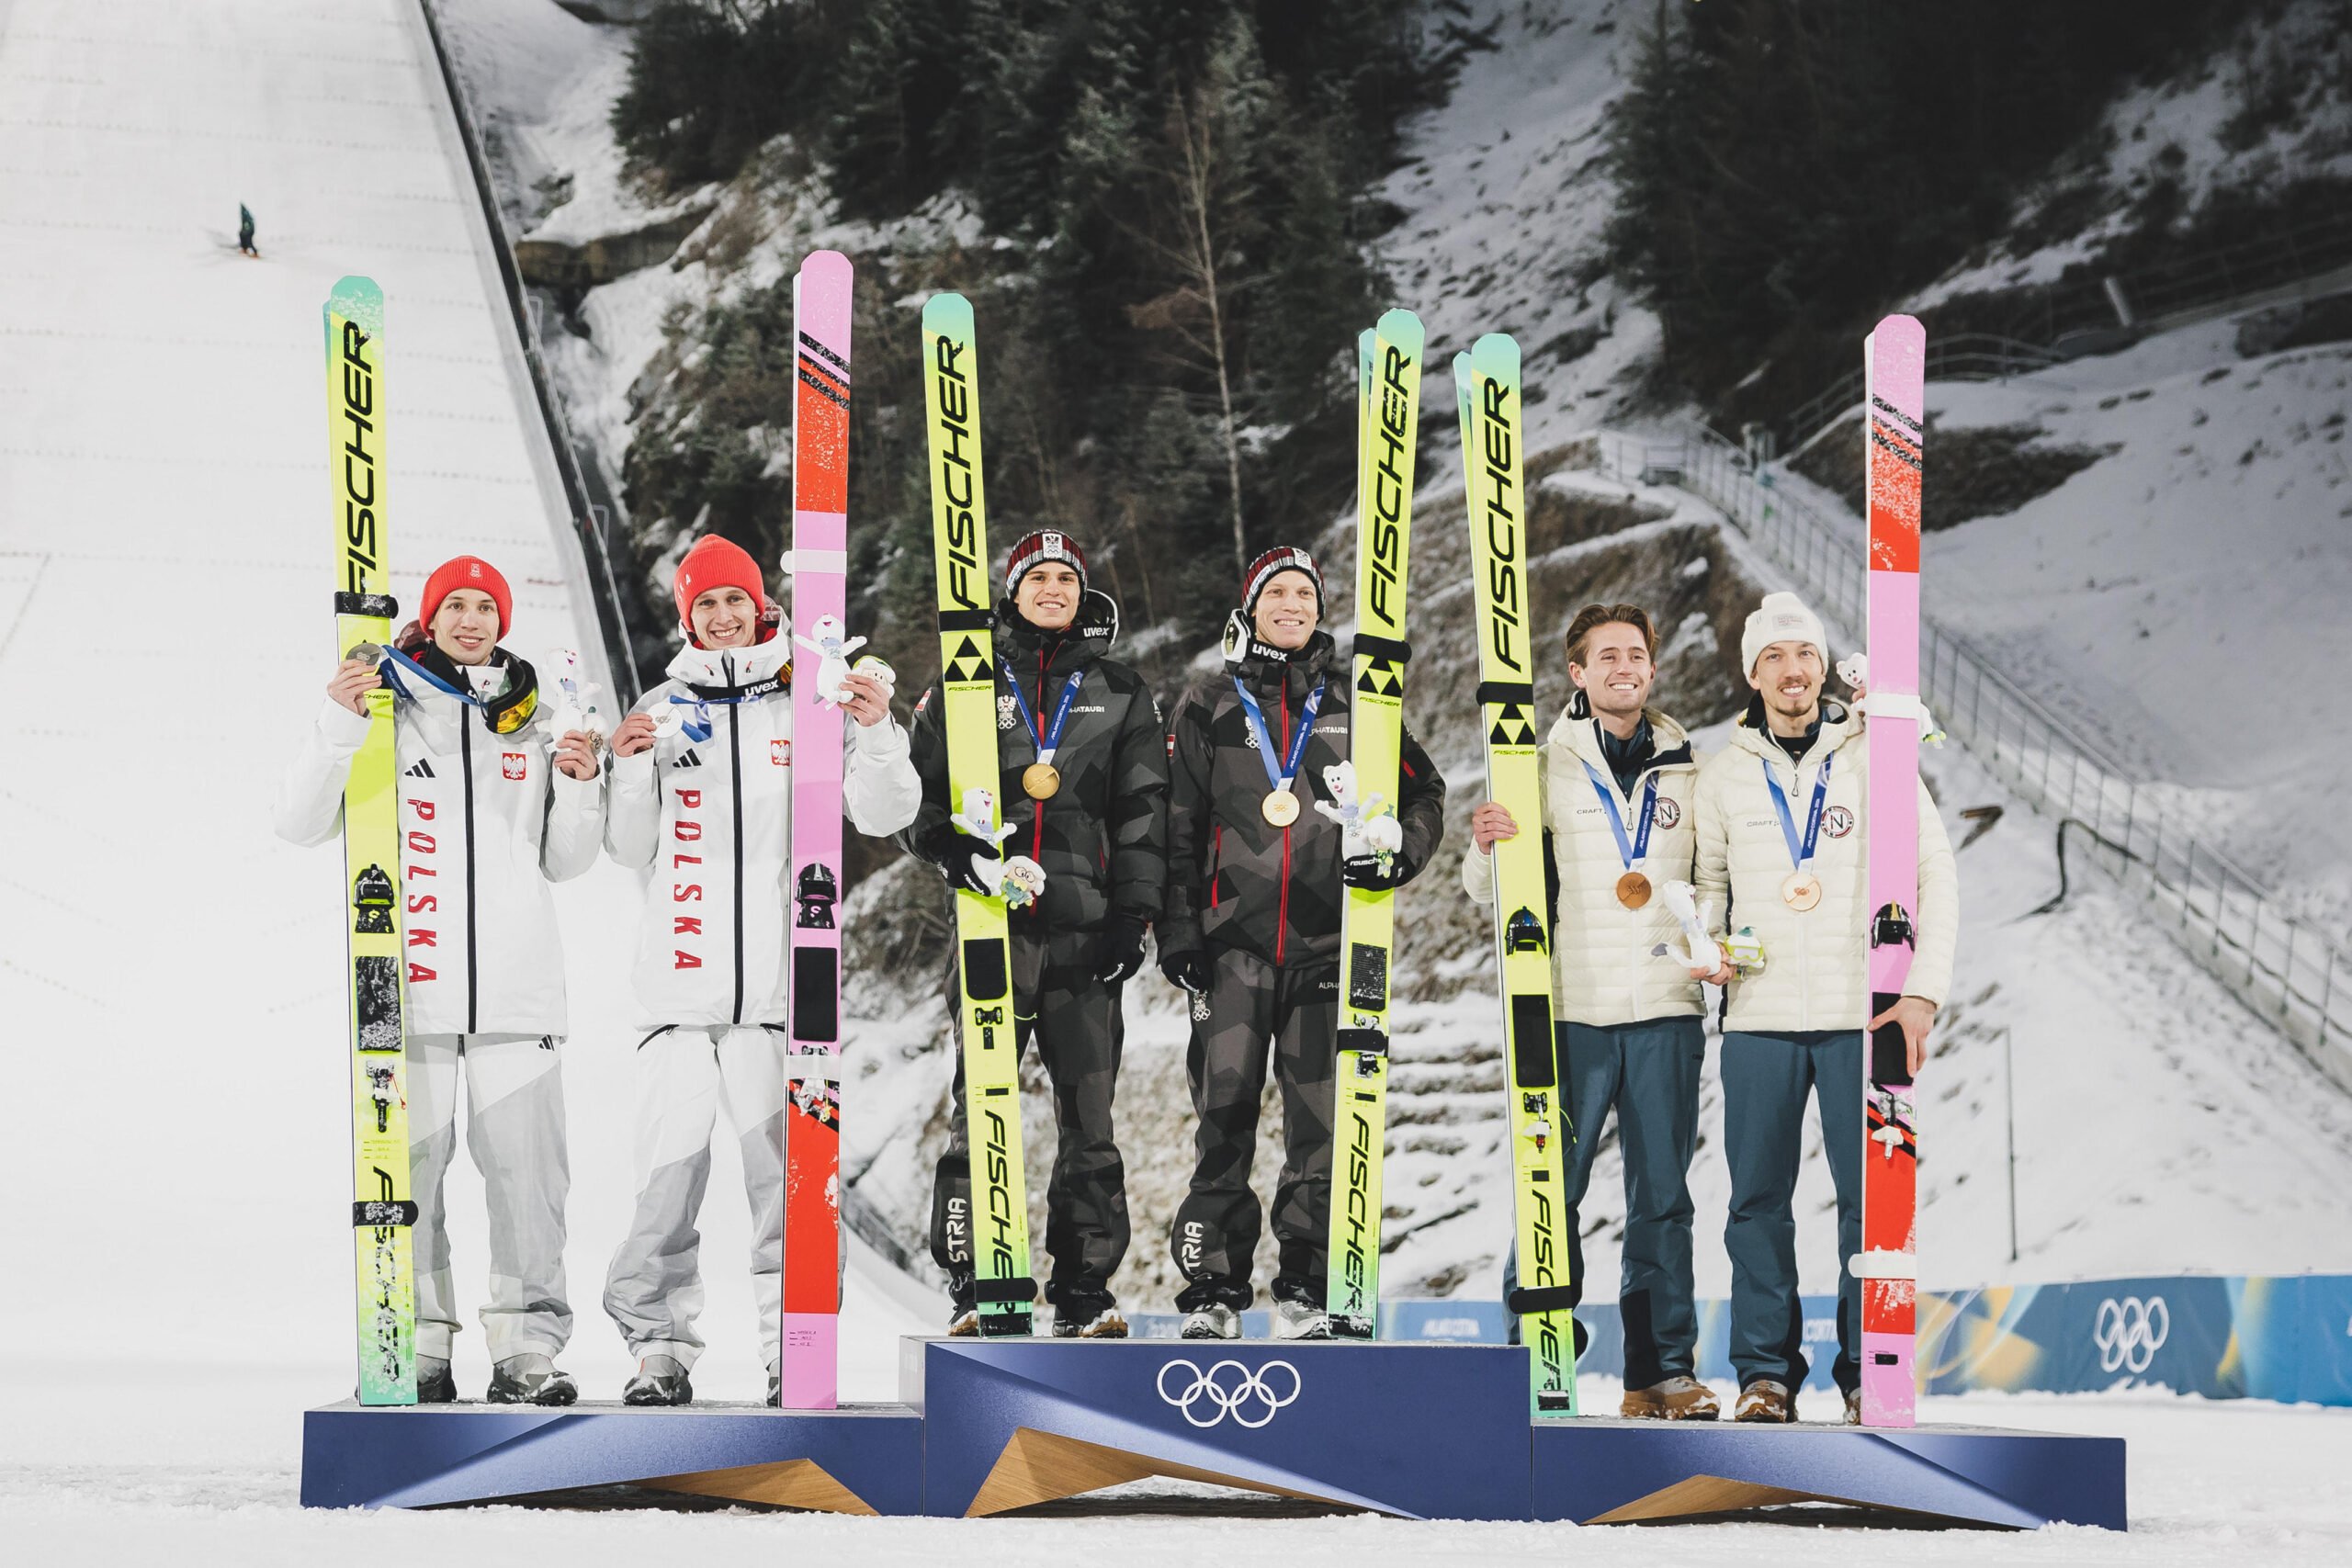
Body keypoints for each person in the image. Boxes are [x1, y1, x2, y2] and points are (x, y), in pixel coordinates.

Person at [275, 555, 604, 1405]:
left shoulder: (532, 721)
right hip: (409, 996)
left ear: (502, 621)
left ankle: (527, 1350)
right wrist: (338, 720)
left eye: (485, 606)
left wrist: (579, 785)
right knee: (409, 1177)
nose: (470, 619)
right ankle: (418, 1343)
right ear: (430, 617)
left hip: (519, 994)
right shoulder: (386, 706)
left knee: (530, 1185)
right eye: (454, 604)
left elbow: (566, 862)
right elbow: (299, 821)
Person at [602, 534, 918, 1404]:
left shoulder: (808, 700)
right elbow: (628, 846)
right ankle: (657, 1351)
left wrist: (876, 729)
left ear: (760, 605)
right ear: (686, 617)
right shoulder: (662, 707)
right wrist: (626, 769)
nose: (722, 615)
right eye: (705, 603)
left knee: (790, 1188)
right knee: (665, 1188)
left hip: (783, 999)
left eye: (733, 599)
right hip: (678, 994)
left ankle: (795, 1349)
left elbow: (885, 811)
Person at [1158, 547, 1445, 1340]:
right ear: (1251, 608)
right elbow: (1175, 826)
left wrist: (1399, 852)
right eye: (1276, 592)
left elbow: (1424, 791)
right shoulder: (1208, 703)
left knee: (1320, 1127)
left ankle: (1307, 1289)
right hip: (1231, 949)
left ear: (1320, 608)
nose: (1292, 604)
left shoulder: (1359, 702)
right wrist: (1178, 929)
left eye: (1305, 593)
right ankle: (1213, 1291)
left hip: (1330, 947)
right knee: (1223, 1120)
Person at [1692, 591, 1957, 1424]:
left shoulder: (1877, 755)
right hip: (1758, 1020)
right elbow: (1707, 888)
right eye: (1773, 657)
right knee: (1755, 1206)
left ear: (1823, 667)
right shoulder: (1723, 774)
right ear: (1753, 673)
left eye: (1804, 653)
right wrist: (1710, 946)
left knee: (1870, 1202)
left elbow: (1935, 873)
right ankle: (1765, 1375)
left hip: (1860, 1018)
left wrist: (1922, 992)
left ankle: (1866, 1370)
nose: (1792, 670)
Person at [902, 531, 1169, 1338]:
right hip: (992, 926)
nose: (1053, 589)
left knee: (1090, 1118)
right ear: (1012, 591)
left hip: (1086, 933)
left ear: (1083, 592)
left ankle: (1084, 1290)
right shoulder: (966, 680)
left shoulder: (1121, 690)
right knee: (980, 1103)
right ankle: (977, 1281)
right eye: (1038, 578)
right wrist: (954, 853)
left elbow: (1145, 813)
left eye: (1066, 578)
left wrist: (1133, 917)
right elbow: (917, 800)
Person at [1463, 602, 1717, 1419]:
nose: (1623, 667)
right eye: (1606, 656)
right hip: (1570, 1009)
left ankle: (1661, 1371)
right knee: (1551, 1184)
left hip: (1666, 1009)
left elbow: (1712, 878)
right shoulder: (1540, 765)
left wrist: (1710, 942)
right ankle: (1532, 1347)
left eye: (1635, 654)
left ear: (1653, 668)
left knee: (1663, 1200)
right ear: (1577, 673)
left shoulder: (1689, 768)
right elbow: (1487, 890)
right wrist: (1483, 845)